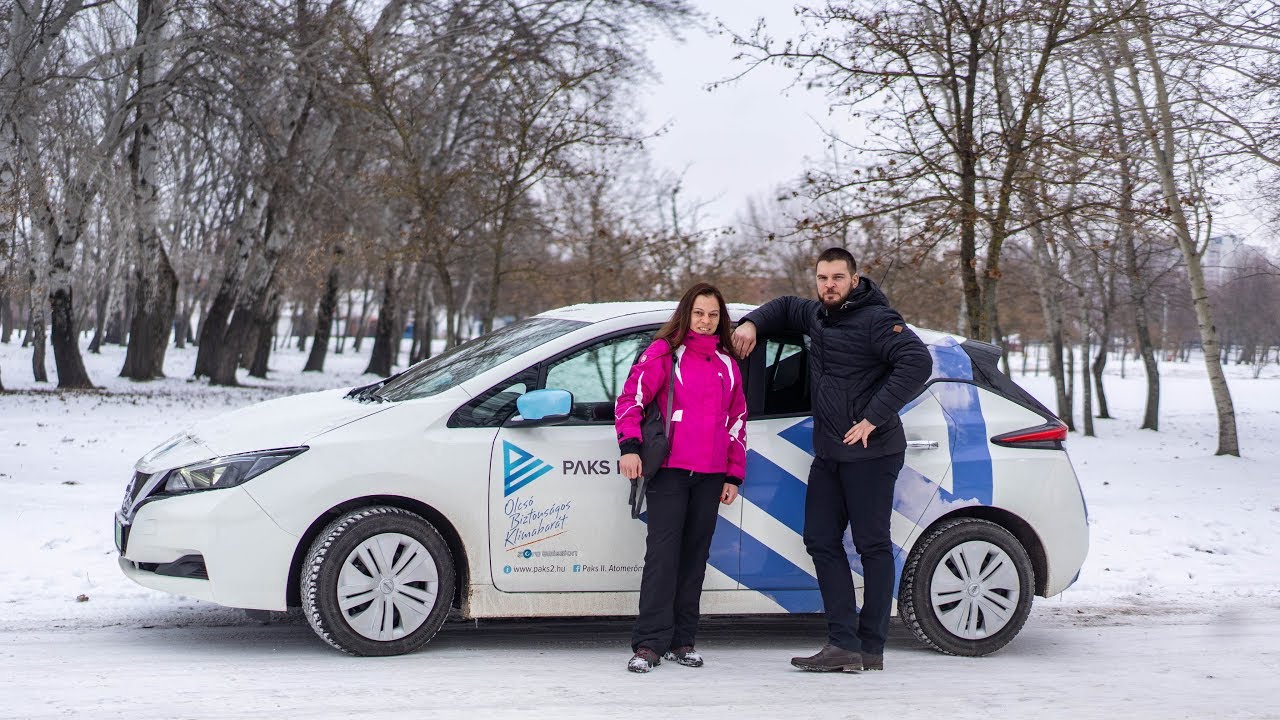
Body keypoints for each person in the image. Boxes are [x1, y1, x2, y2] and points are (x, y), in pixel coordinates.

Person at [732, 247, 932, 673]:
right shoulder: (818, 316)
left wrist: (873, 417)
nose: (829, 285)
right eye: (823, 278)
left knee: (872, 546)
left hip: (872, 454)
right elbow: (785, 306)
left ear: (854, 280)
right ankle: (844, 643)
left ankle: (871, 647)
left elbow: (917, 362)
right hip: (829, 452)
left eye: (837, 277)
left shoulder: (877, 319)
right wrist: (751, 322)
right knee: (820, 539)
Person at [614, 282, 747, 673]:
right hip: (670, 472)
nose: (705, 321)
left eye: (713, 315)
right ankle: (649, 644)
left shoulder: (727, 364)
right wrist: (629, 447)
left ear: (721, 320)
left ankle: (682, 641)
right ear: (686, 314)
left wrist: (733, 475)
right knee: (663, 557)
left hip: (711, 475)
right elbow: (631, 400)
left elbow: (737, 420)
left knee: (694, 559)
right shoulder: (664, 353)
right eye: (699, 313)